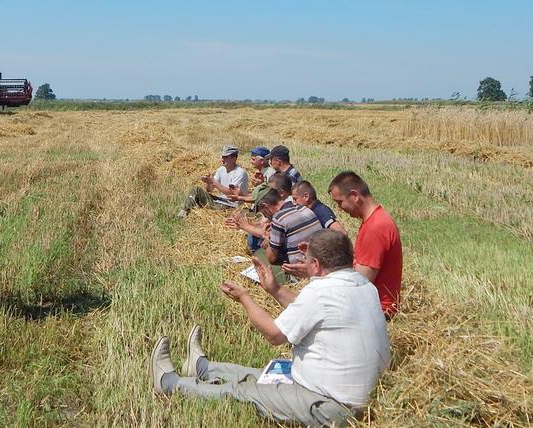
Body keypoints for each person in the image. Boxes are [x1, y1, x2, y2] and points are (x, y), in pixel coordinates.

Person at [151, 229, 390, 427]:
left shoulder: (321, 292)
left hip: (329, 405)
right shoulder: (363, 286)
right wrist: (274, 289)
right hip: (348, 397)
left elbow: (274, 335)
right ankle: (202, 367)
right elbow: (307, 309)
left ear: (316, 265)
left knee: (242, 393)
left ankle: (170, 385)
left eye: (306, 261)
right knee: (262, 374)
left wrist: (245, 297)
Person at [328, 171, 402, 318]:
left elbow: (360, 282)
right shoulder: (377, 219)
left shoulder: (375, 228)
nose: (339, 208)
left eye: (339, 202)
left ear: (354, 196)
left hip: (377, 311)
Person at [177, 145, 248, 218]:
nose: (222, 159)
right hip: (220, 200)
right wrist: (208, 182)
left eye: (225, 157)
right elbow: (209, 190)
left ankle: (182, 215)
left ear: (234, 159)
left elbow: (232, 194)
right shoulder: (221, 170)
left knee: (198, 197)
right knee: (196, 190)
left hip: (230, 206)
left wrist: (213, 181)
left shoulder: (240, 173)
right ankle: (184, 212)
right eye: (222, 156)